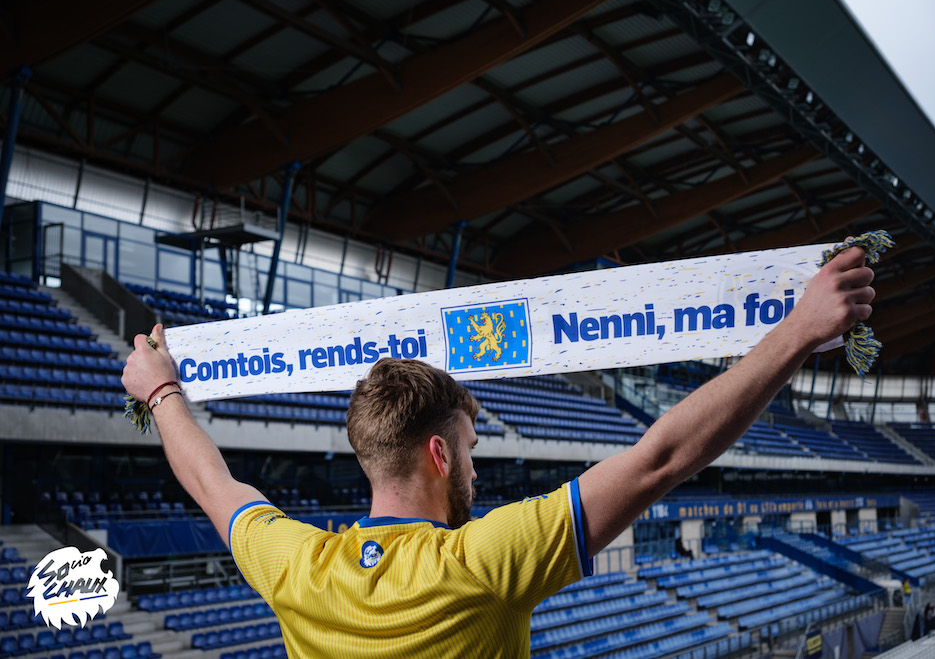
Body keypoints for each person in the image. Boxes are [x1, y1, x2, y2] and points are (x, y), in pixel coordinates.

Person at [121, 246, 875, 657]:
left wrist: (160, 392)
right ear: (440, 456)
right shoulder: (479, 564)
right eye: (473, 449)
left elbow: (210, 479)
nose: (478, 470)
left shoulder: (297, 568)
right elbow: (660, 460)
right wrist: (800, 330)